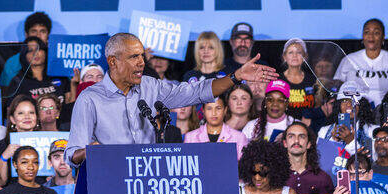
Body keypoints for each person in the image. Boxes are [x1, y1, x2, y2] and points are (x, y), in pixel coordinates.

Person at [66, 33, 277, 165]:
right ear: (113, 61)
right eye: (134, 57)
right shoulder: (89, 99)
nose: (142, 62)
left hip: (148, 183)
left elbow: (196, 91)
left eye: (141, 56)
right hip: (110, 185)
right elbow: (73, 154)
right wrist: (89, 152)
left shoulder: (151, 86)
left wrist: (236, 76)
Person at [334, 18, 388, 104]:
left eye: (376, 33)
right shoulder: (349, 59)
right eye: (367, 32)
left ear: (383, 37)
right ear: (362, 36)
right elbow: (336, 86)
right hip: (355, 110)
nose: (371, 36)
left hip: (384, 111)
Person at [4, 36, 74, 107]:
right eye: (30, 50)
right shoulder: (18, 82)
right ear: (24, 56)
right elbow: (11, 109)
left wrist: (73, 84)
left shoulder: (59, 76)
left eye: (38, 49)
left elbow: (70, 107)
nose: (35, 53)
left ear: (45, 52)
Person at [0, 95, 39, 186]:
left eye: (31, 112)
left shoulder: (48, 141)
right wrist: (4, 157)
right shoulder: (2, 146)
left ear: (36, 117)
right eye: (21, 113)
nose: (27, 117)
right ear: (12, 119)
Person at [183, 97, 248, 159]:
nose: (214, 113)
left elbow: (243, 167)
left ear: (225, 110)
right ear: (203, 111)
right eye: (209, 108)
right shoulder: (190, 137)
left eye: (218, 108)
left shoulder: (239, 137)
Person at [0, 12, 52, 88]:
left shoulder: (56, 60)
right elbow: (6, 90)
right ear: (26, 34)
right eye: (34, 31)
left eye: (42, 31)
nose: (38, 36)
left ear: (48, 35)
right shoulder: (12, 63)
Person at [278, 38, 319, 120]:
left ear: (305, 56)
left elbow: (317, 106)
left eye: (299, 52)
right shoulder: (277, 80)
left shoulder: (313, 80)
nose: (294, 56)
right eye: (290, 52)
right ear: (284, 57)